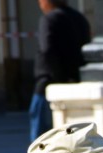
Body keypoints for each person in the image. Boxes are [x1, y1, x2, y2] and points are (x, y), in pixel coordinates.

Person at [29, 0, 91, 142]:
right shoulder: (80, 18)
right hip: (75, 83)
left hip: (48, 84)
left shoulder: (49, 19)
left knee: (41, 139)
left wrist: (57, 76)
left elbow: (46, 49)